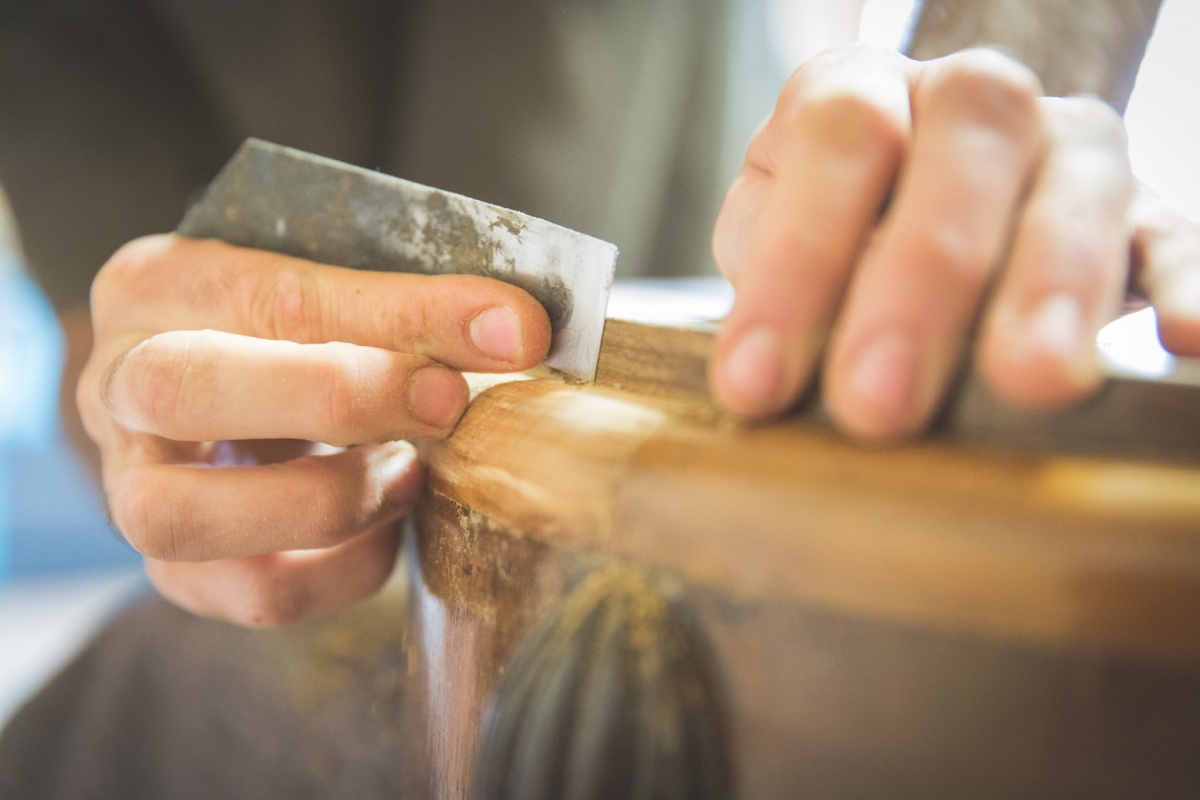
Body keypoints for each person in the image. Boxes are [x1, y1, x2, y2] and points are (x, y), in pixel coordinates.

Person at [1, 0, 1198, 796]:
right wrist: (153, 405)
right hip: (345, 540)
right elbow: (120, 336)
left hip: (723, 307)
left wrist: (966, 109)